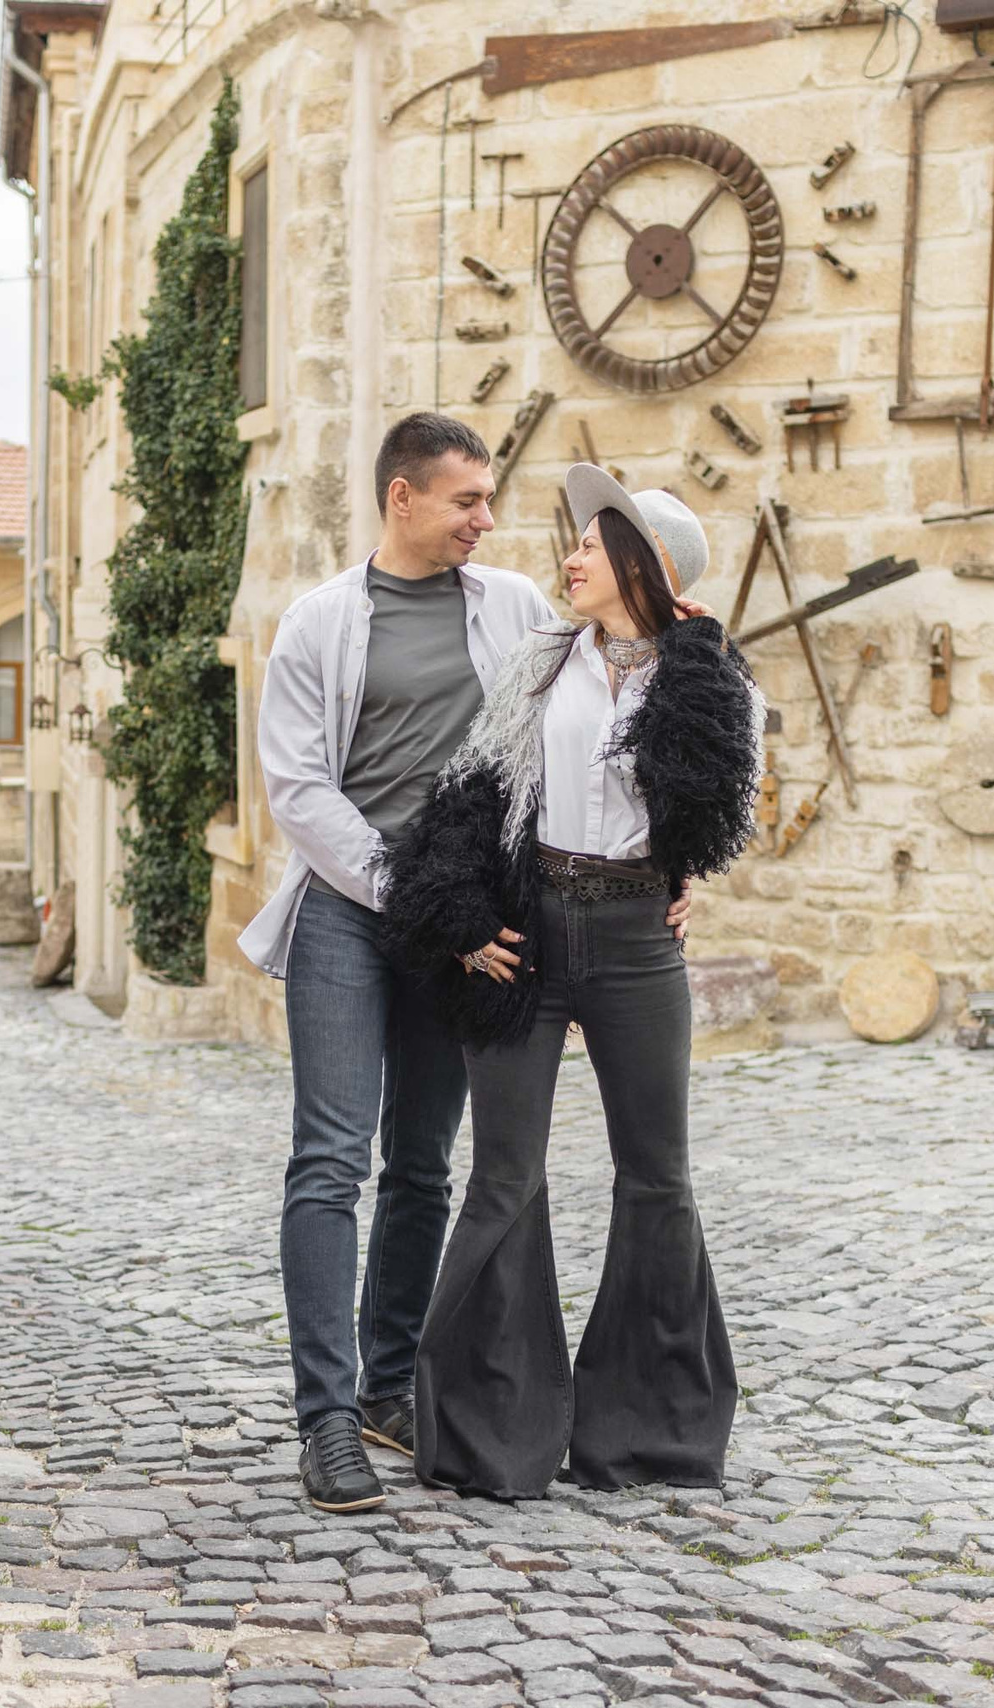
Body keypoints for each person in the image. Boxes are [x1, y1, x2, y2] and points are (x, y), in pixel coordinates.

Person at [239, 416, 692, 1513]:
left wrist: (665, 868)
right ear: (402, 498)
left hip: (475, 927)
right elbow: (298, 791)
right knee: (332, 1159)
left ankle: (393, 1387)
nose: (487, 521)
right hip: (355, 915)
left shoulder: (519, 610)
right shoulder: (319, 624)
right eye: (466, 502)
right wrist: (415, 901)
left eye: (489, 500)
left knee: (425, 1166)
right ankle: (327, 1422)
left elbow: (623, 702)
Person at [377, 463, 767, 1499]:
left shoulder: (708, 681)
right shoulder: (539, 664)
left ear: (643, 564)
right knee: (504, 1176)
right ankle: (484, 1435)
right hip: (531, 930)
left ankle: (648, 1432)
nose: (572, 555)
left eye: (593, 543)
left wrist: (684, 880)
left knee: (657, 1177)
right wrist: (463, 920)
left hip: (639, 938)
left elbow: (716, 806)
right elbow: (473, 793)